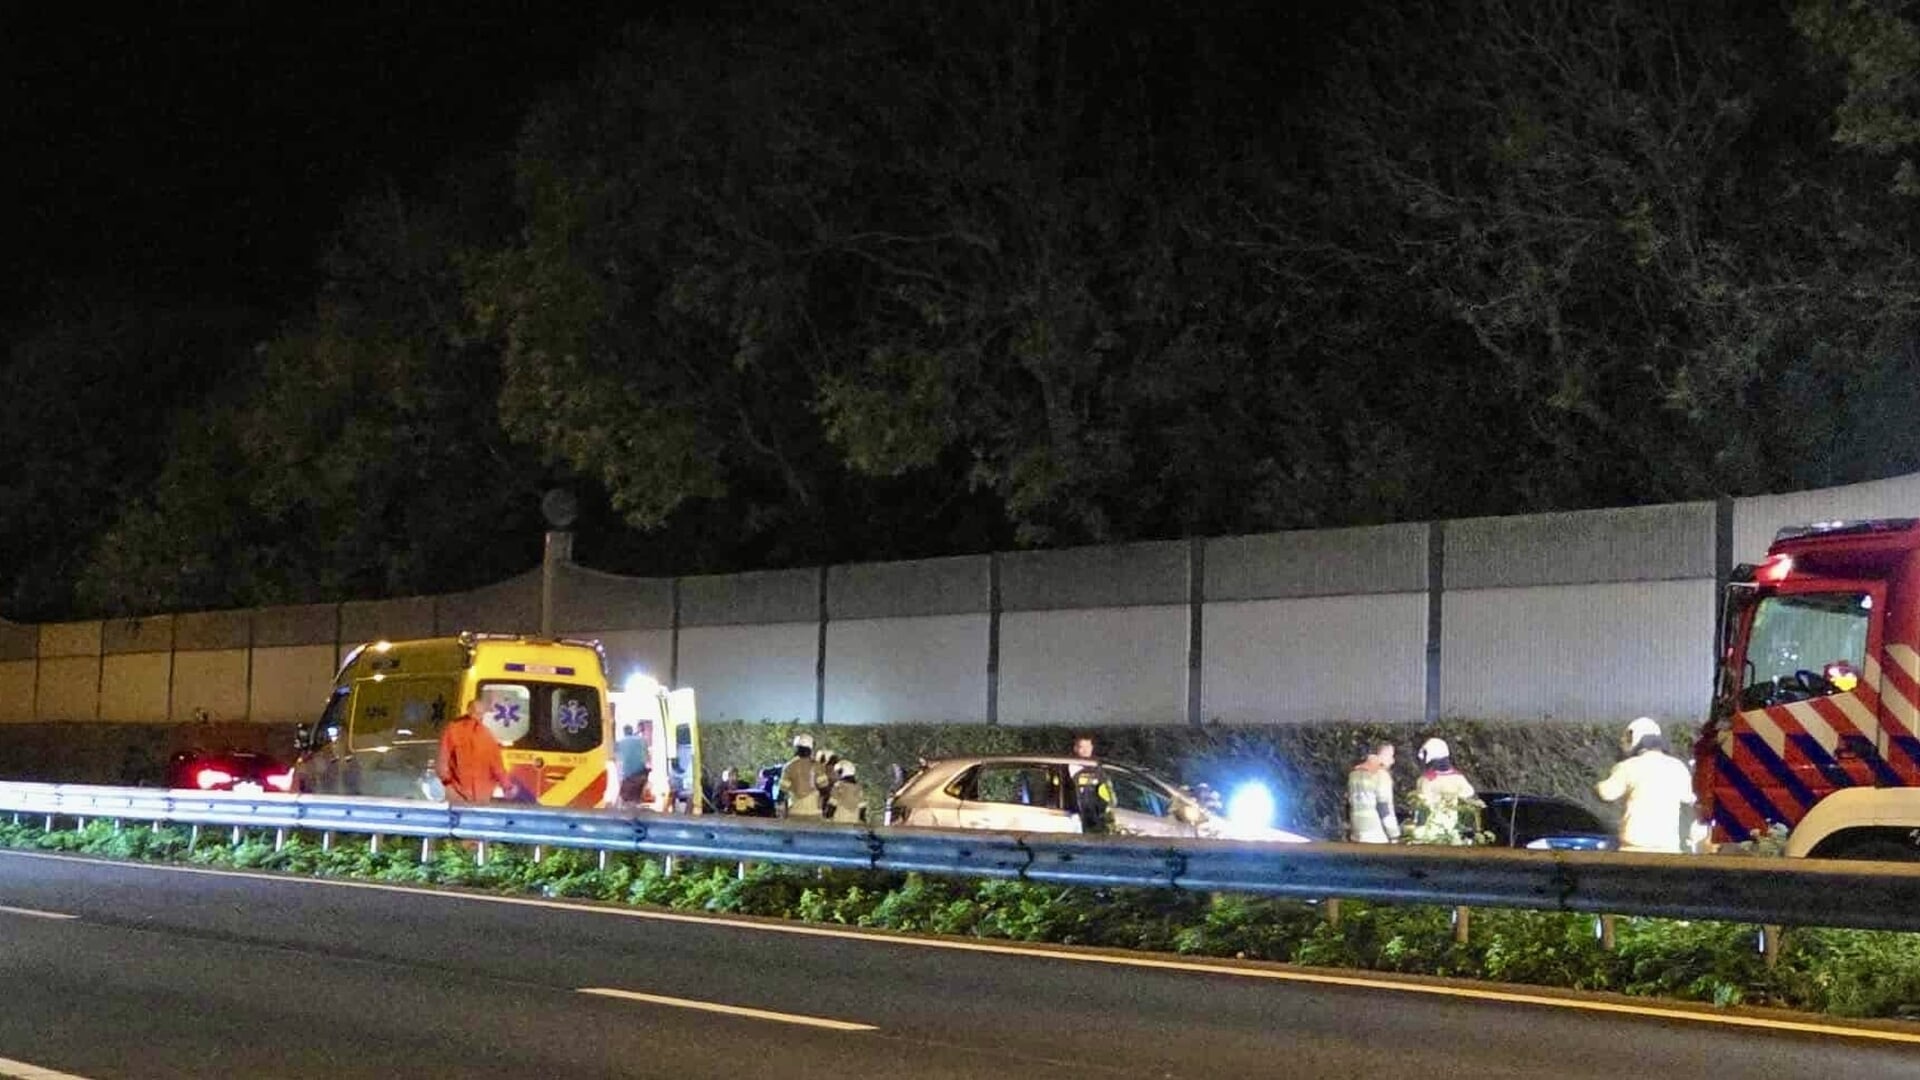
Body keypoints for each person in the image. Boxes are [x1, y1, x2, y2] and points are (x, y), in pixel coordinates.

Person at [1596, 717, 1697, 853]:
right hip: (1668, 849)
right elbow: (1689, 797)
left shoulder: (1628, 766)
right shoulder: (1678, 767)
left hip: (1634, 848)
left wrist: (1597, 785)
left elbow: (1607, 793)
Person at [438, 698, 514, 805]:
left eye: (480, 713)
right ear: (469, 710)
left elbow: (496, 765)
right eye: (476, 712)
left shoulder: (486, 734)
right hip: (462, 794)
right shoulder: (454, 730)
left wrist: (507, 786)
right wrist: (447, 784)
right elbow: (443, 760)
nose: (478, 715)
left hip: (476, 796)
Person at [1413, 737, 1478, 839]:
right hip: (1452, 831)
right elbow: (1471, 798)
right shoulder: (1459, 778)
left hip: (1431, 833)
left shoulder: (1426, 780)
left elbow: (1421, 809)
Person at [1347, 742, 1401, 843]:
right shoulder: (1381, 775)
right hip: (1376, 834)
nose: (1393, 761)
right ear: (1382, 754)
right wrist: (1394, 834)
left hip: (1356, 832)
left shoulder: (1353, 774)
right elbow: (1383, 808)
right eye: (1391, 756)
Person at [778, 733, 829, 818]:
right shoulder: (817, 766)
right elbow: (825, 790)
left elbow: (782, 793)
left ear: (797, 749)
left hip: (795, 811)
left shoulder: (789, 766)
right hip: (814, 812)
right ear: (811, 749)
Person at [614, 723, 652, 808]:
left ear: (624, 732)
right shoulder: (642, 740)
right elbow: (647, 757)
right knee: (637, 797)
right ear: (632, 730)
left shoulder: (620, 743)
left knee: (626, 799)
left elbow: (618, 759)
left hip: (627, 775)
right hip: (641, 773)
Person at [824, 759, 866, 823]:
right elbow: (862, 809)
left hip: (839, 822)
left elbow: (831, 806)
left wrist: (827, 819)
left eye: (838, 772)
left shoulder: (838, 786)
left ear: (842, 772)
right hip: (853, 823)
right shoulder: (859, 788)